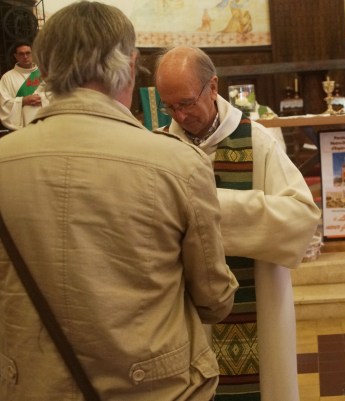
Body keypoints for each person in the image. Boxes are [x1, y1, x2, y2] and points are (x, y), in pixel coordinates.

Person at [0, 3, 238, 401]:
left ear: (44, 69)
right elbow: (214, 301)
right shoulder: (178, 164)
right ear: (129, 65)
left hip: (32, 387)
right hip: (154, 387)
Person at [154, 46, 321, 401]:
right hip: (183, 315)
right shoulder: (159, 148)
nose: (180, 115)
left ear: (213, 87)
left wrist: (211, 210)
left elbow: (301, 217)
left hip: (254, 310)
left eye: (186, 103)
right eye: (170, 107)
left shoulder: (257, 142)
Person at [0, 39, 50, 130]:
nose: (25, 56)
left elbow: (57, 95)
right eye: (21, 54)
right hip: (23, 129)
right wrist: (23, 101)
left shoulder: (45, 73)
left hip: (47, 124)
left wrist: (42, 98)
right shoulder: (7, 78)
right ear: (16, 56)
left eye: (28, 53)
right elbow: (4, 103)